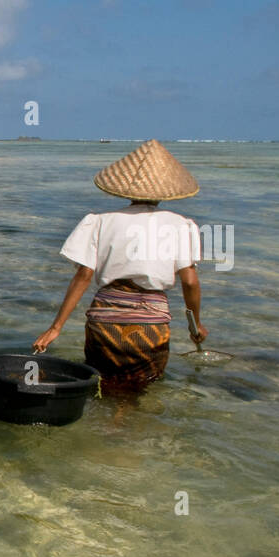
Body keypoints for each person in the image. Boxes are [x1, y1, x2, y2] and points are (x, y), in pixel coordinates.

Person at [32, 139, 209, 392]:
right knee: (141, 392)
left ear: (125, 190)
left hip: (104, 320)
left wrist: (55, 327)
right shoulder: (181, 225)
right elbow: (190, 281)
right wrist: (197, 325)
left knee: (102, 387)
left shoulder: (100, 221)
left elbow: (83, 276)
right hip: (151, 324)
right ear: (165, 192)